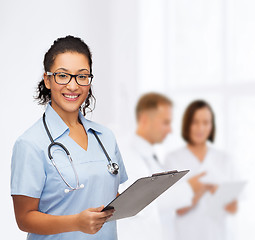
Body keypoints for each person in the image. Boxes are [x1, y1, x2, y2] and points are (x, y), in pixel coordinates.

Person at [11, 35, 128, 240]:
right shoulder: (30, 144)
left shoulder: (105, 137)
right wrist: (75, 223)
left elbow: (109, 195)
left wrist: (141, 196)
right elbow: (24, 218)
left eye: (82, 76)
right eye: (63, 76)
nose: (73, 86)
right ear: (47, 80)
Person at [117, 93, 200, 240]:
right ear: (144, 120)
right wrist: (189, 189)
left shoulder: (150, 155)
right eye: (165, 122)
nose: (170, 130)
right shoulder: (127, 154)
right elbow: (140, 201)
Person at [164, 100, 238, 240]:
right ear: (187, 124)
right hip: (186, 235)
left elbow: (233, 208)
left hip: (218, 234)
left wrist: (218, 192)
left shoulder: (224, 159)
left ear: (212, 126)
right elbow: (177, 209)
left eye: (206, 122)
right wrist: (201, 188)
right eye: (195, 122)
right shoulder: (173, 159)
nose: (200, 128)